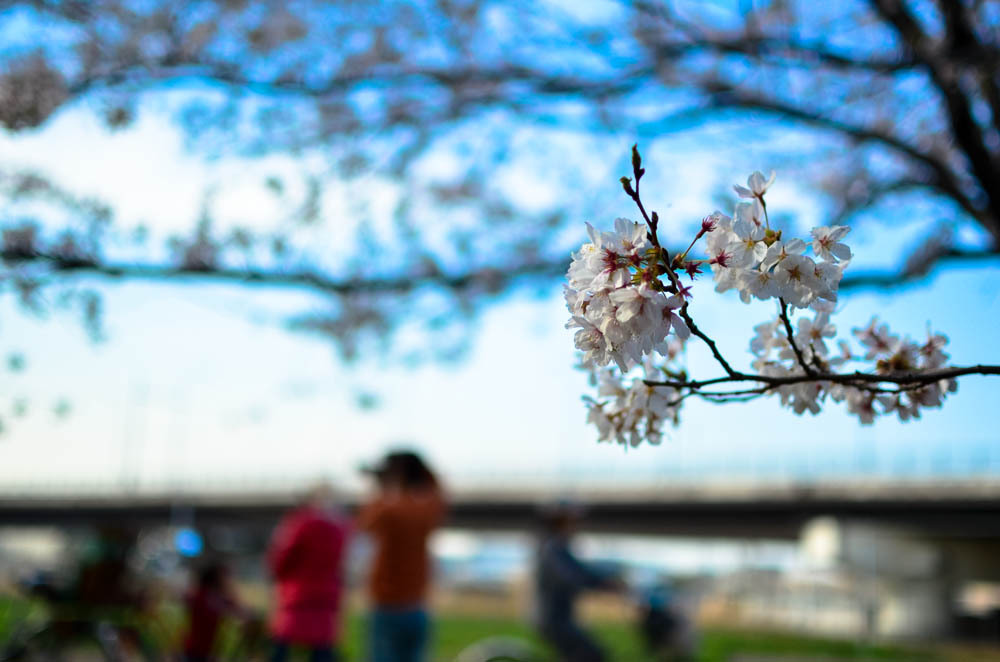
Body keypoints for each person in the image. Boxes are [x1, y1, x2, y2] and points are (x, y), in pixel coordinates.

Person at [358, 450, 446, 662]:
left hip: (386, 605)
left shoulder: (388, 511)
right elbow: (440, 494)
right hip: (417, 606)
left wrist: (382, 485)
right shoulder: (425, 510)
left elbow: (366, 521)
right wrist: (420, 469)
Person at [267, 484, 351, 662]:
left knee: (282, 647)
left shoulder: (298, 524)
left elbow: (280, 559)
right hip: (326, 596)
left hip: (298, 594)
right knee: (322, 648)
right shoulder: (339, 529)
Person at [534, 502, 619, 662]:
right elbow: (572, 575)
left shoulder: (556, 547)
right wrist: (603, 584)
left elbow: (581, 571)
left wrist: (603, 582)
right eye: (573, 522)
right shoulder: (553, 548)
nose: (577, 526)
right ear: (561, 522)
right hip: (553, 620)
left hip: (558, 618)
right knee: (593, 654)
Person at [181, 559, 248, 662]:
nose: (227, 579)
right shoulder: (201, 595)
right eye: (224, 576)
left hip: (209, 652)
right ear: (215, 578)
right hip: (194, 650)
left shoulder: (219, 597)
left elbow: (241, 611)